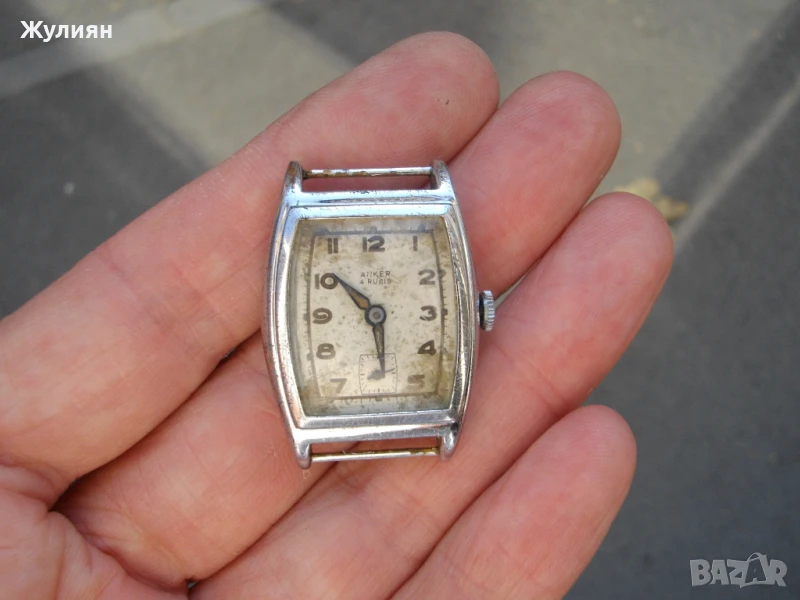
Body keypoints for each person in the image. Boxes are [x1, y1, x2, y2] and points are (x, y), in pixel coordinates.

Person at [0, 33, 672, 599]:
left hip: (384, 397)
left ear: (479, 309)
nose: (374, 311)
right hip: (341, 403)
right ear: (480, 309)